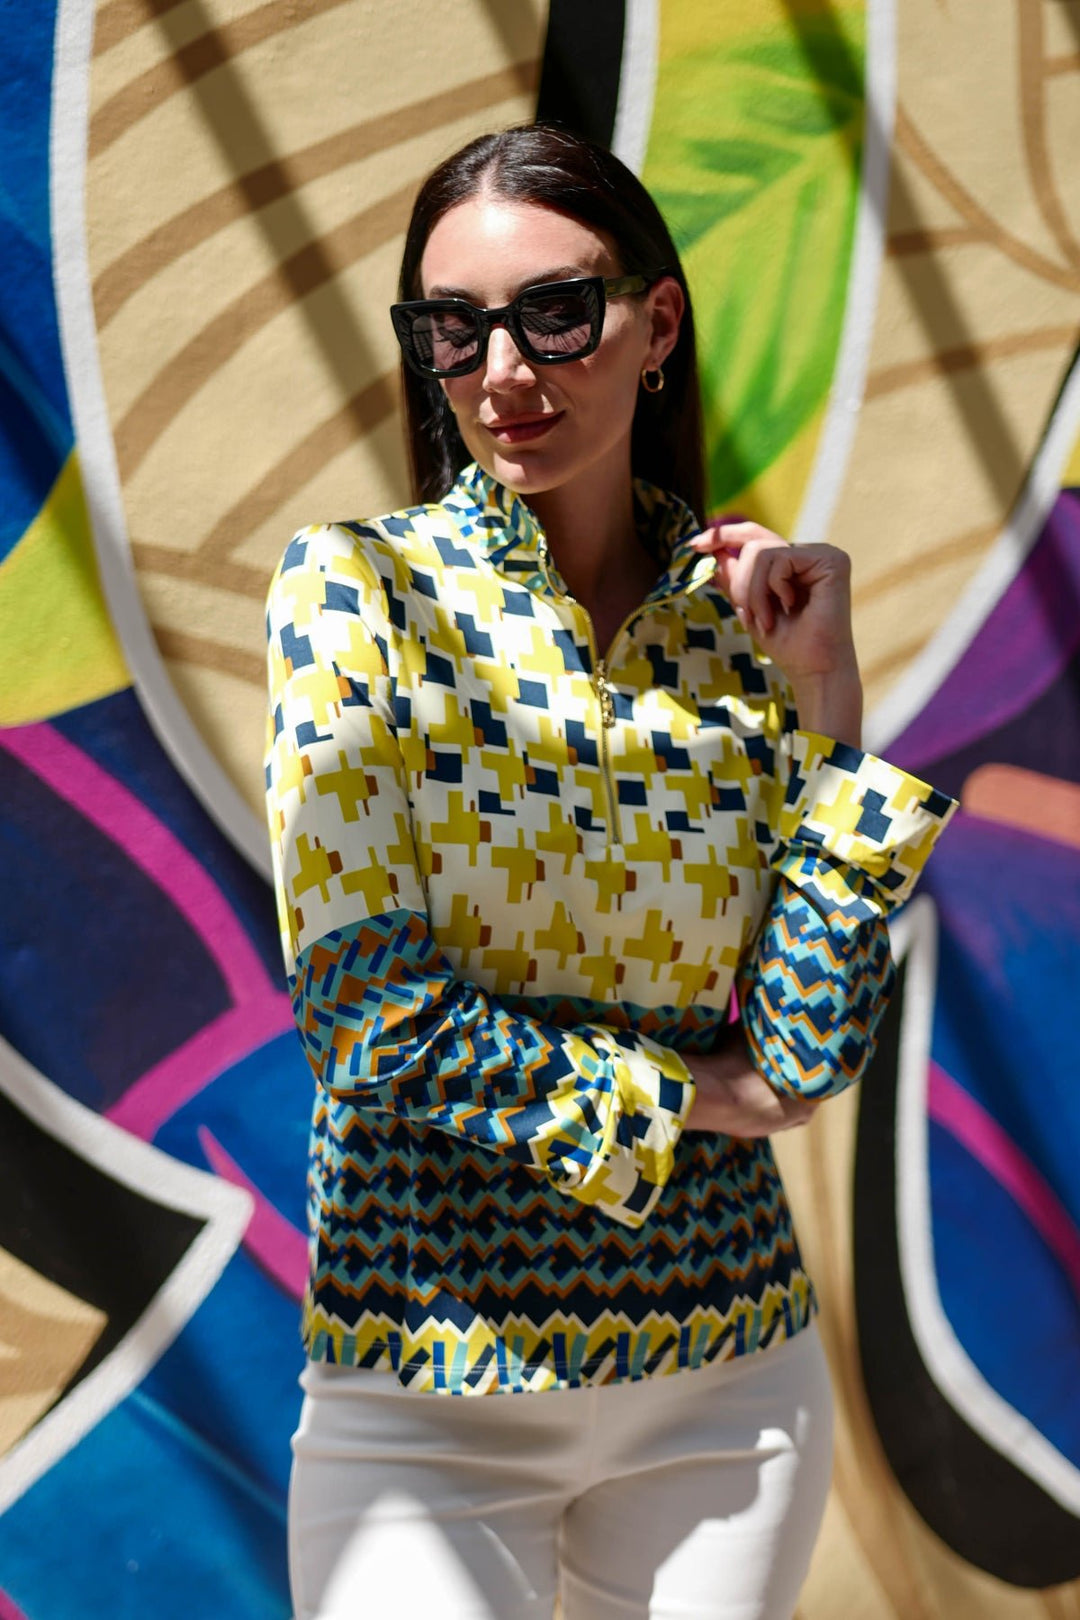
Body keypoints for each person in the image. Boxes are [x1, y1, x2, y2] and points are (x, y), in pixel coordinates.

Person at [265, 123, 957, 1620]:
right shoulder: (357, 590)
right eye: (455, 328)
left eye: (556, 312)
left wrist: (826, 703)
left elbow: (806, 1054)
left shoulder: (745, 629)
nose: (504, 370)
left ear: (658, 325)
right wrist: (686, 1098)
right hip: (424, 1381)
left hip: (728, 1384)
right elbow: (370, 1019)